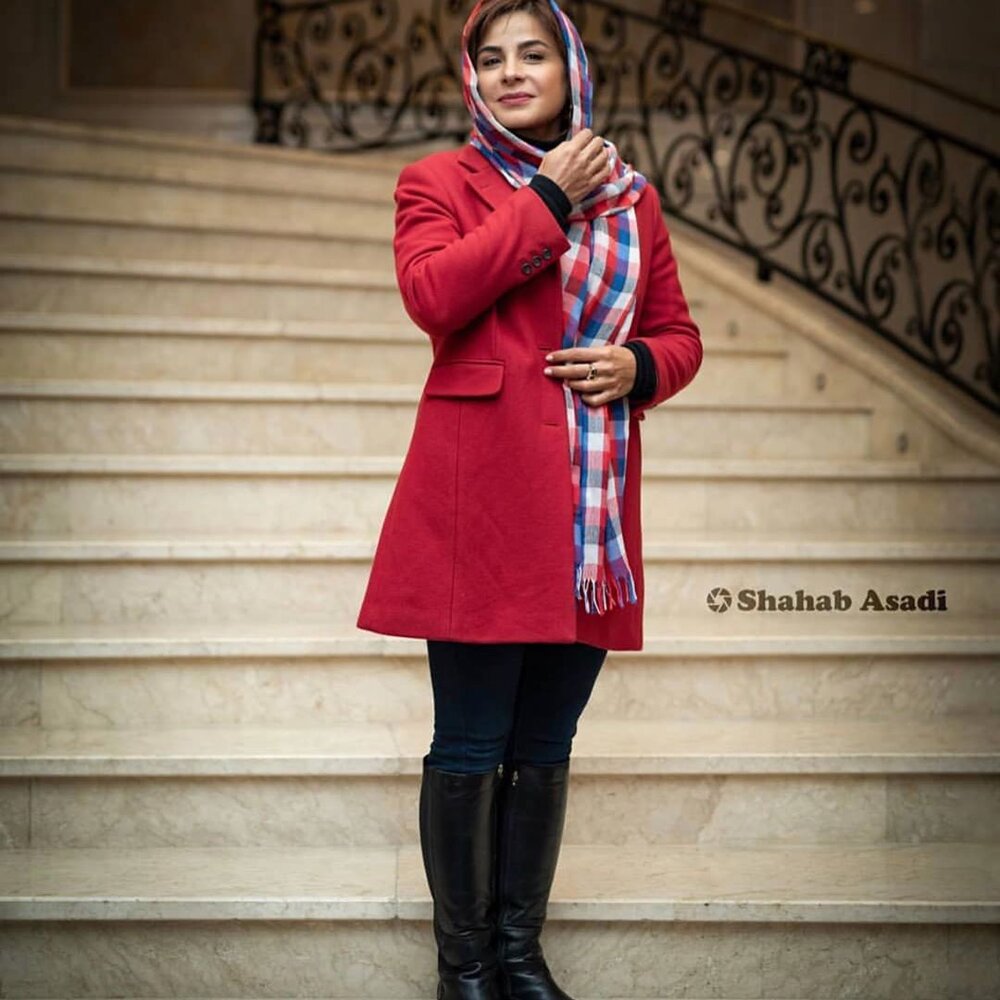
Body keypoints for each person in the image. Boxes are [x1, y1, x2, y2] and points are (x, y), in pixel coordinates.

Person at [356, 1, 702, 997]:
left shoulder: (633, 200)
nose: (511, 72)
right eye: (491, 58)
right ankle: (463, 967)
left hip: (590, 517)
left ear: (570, 69)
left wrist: (638, 366)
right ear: (472, 81)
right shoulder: (438, 182)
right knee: (472, 741)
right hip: (482, 503)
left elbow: (679, 334)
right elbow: (435, 295)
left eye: (532, 53)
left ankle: (517, 952)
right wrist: (547, 197)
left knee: (546, 744)